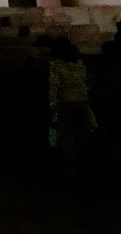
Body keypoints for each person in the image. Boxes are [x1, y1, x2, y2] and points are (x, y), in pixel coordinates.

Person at [44, 36, 93, 174]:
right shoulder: (79, 63)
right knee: (82, 134)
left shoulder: (56, 65)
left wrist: (52, 107)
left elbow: (54, 87)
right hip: (81, 103)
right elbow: (85, 83)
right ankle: (84, 163)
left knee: (68, 137)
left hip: (65, 104)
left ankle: (72, 166)